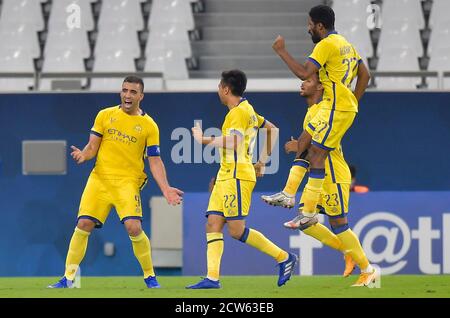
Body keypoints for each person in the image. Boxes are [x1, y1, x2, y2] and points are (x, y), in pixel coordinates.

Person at [272, 5, 377, 286]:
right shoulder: (347, 45)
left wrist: (281, 51)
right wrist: (352, 100)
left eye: (309, 24)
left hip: (337, 168)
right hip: (341, 110)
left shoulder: (327, 44)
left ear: (319, 26)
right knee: (314, 157)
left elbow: (304, 71)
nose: (308, 29)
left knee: (316, 156)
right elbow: (365, 75)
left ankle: (368, 269)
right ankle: (303, 208)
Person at [48, 76, 183, 289]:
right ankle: (68, 278)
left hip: (127, 182)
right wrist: (84, 155)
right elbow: (93, 147)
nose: (127, 95)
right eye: (124, 90)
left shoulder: (149, 126)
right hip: (99, 180)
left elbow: (155, 161)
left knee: (133, 227)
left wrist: (165, 188)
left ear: (141, 96)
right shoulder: (105, 115)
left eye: (132, 92)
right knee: (83, 224)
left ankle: (150, 276)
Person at [186, 70, 297, 289]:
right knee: (213, 223)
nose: (218, 90)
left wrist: (203, 140)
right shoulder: (248, 109)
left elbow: (235, 141)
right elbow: (273, 130)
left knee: (236, 230)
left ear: (226, 89)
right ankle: (212, 278)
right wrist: (262, 161)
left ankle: (284, 257)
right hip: (226, 175)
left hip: (236, 176)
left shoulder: (238, 112)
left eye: (219, 86)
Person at [261, 73, 356, 278]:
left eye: (308, 81)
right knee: (308, 222)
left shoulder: (323, 109)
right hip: (319, 176)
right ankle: (348, 252)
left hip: (333, 174)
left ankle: (366, 268)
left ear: (320, 87)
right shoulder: (311, 111)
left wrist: (296, 146)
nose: (302, 83)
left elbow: (320, 146)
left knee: (339, 223)